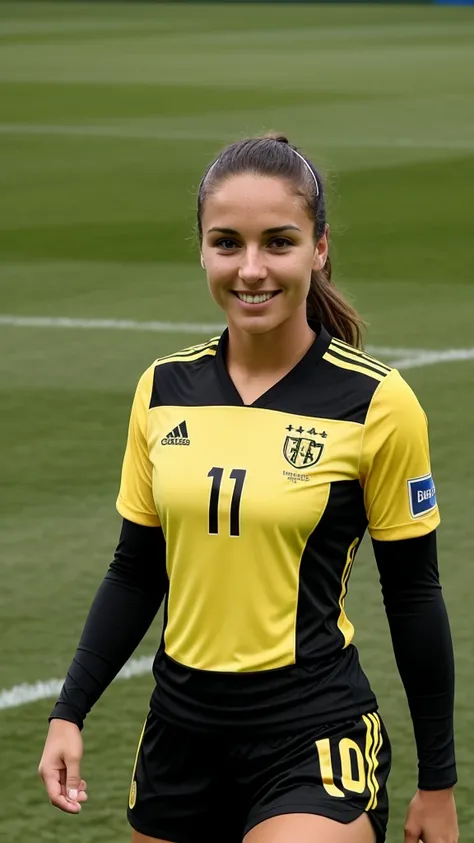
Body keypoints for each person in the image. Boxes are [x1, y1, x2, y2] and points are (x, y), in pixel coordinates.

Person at [38, 134, 459, 843]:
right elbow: (136, 570)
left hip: (311, 731)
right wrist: (68, 711)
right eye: (227, 243)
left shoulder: (377, 402)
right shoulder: (163, 389)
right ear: (201, 248)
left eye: (280, 242)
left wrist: (439, 782)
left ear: (319, 248)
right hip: (179, 734)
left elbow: (414, 594)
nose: (252, 268)